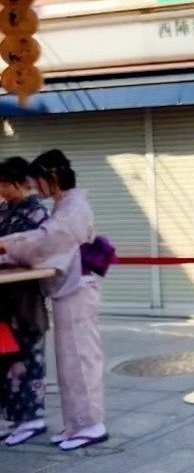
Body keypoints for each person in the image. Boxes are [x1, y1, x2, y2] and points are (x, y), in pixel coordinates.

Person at [0, 150, 106, 451]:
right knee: (69, 360)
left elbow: (44, 242)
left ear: (53, 177)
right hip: (69, 289)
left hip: (77, 291)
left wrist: (5, 244)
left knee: (80, 358)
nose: (36, 187)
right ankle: (76, 423)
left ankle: (91, 423)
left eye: (39, 180)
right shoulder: (66, 206)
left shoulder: (73, 209)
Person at [0, 157, 50, 446]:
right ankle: (11, 417)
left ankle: (32, 418)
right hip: (4, 297)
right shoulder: (5, 209)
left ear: (18, 183)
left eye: (4, 184)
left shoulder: (37, 213)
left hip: (25, 298)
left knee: (28, 357)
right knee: (5, 358)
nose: (1, 190)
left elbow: (38, 253)